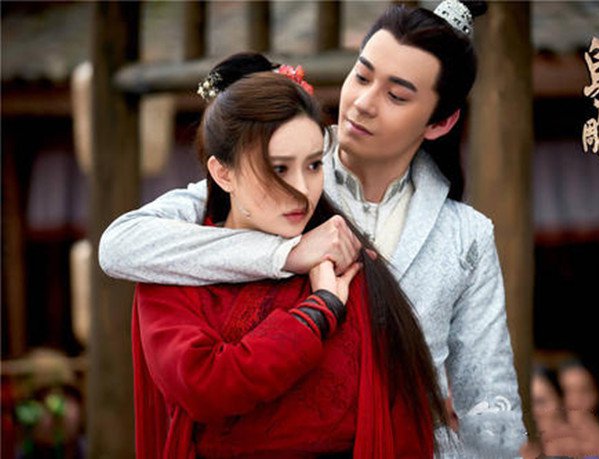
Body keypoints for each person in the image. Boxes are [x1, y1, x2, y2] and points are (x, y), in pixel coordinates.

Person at [100, 1, 525, 456]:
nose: (363, 103)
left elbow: (489, 402)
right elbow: (121, 245)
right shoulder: (271, 174)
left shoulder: (466, 235)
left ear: (440, 122)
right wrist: (287, 254)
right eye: (362, 76)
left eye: (397, 96)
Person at [132, 52, 449, 458]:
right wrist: (319, 311)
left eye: (314, 165)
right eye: (279, 169)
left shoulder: (346, 263)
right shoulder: (172, 268)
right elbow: (204, 386)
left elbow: (400, 427)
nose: (302, 190)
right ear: (223, 173)